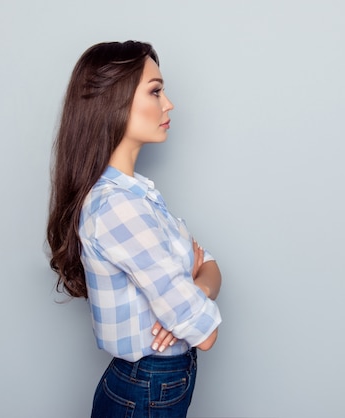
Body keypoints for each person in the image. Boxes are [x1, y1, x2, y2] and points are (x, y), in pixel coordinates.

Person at [46, 40, 222, 417]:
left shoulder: (139, 196)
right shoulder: (118, 207)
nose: (169, 103)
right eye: (155, 91)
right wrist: (191, 299)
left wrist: (195, 288)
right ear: (116, 101)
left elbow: (210, 265)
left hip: (155, 382)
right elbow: (205, 333)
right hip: (146, 386)